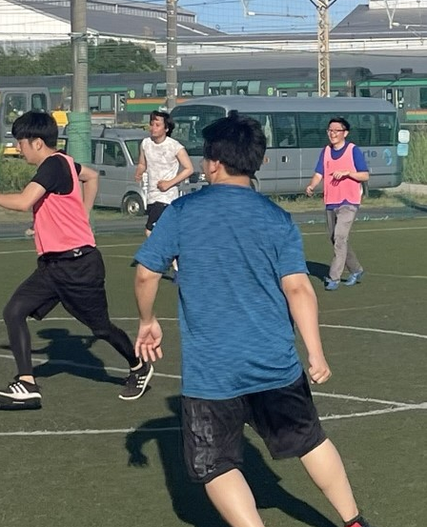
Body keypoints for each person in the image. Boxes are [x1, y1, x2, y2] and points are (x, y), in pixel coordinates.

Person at [133, 112, 374, 527]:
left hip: (213, 372)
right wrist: (315, 353)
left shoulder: (183, 212)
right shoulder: (277, 218)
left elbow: (145, 274)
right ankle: (354, 522)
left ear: (212, 163)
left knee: (216, 464)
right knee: (310, 441)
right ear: (258, 161)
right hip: (273, 362)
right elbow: (299, 289)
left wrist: (147, 320)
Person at [0, 112, 154, 409]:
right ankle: (27, 383)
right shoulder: (64, 162)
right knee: (14, 311)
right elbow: (91, 176)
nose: (19, 149)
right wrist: (81, 214)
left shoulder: (52, 165)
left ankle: (138, 366)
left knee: (101, 328)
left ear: (37, 142)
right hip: (53, 267)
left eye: (21, 143)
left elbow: (24, 201)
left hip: (78, 266)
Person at [304, 117, 368, 291]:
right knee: (336, 239)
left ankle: (334, 278)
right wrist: (311, 185)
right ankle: (356, 269)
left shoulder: (353, 150)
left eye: (336, 131)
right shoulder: (325, 151)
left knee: (340, 238)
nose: (332, 134)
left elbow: (364, 175)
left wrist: (348, 173)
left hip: (349, 202)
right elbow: (319, 173)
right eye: (330, 130)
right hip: (331, 201)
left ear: (344, 133)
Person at [134, 110, 195, 240]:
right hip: (152, 195)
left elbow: (189, 169)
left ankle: (157, 253)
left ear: (166, 128)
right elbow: (142, 163)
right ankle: (174, 253)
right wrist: (139, 171)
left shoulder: (174, 146)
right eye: (152, 124)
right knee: (165, 232)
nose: (153, 128)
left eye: (157, 125)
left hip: (166, 197)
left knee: (150, 230)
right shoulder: (146, 143)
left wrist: (169, 183)